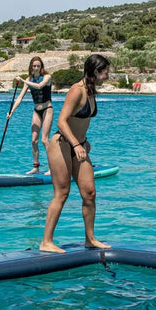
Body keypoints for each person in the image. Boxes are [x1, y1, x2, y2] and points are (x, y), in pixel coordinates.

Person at [40, 54, 111, 253]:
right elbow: (61, 121)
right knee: (62, 193)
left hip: (78, 144)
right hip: (61, 144)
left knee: (90, 193)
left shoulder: (91, 92)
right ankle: (46, 242)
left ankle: (90, 239)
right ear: (96, 71)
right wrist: (76, 144)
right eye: (105, 71)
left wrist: (83, 141)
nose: (107, 75)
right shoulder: (76, 90)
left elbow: (79, 122)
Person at [7, 56, 53, 174]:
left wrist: (23, 81)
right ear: (31, 67)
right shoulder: (29, 79)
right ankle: (36, 167)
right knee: (34, 140)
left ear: (41, 66)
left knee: (44, 140)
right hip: (36, 111)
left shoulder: (47, 77)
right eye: (34, 66)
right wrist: (11, 111)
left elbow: (39, 86)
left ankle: (51, 167)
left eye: (38, 66)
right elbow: (20, 98)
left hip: (47, 109)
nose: (36, 68)